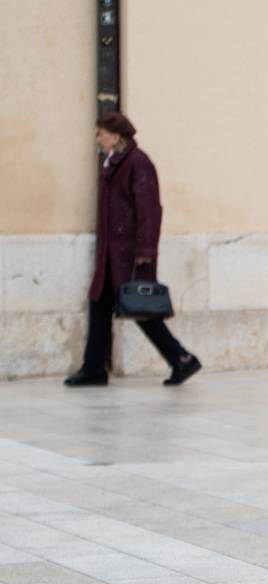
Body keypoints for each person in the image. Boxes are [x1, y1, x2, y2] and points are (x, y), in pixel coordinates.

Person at [65, 113, 201, 387]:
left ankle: (182, 359)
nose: (97, 139)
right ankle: (93, 370)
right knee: (99, 304)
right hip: (112, 254)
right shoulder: (115, 163)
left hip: (131, 253)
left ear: (116, 136)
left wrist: (146, 250)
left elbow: (150, 209)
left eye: (101, 133)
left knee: (140, 308)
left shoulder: (138, 163)